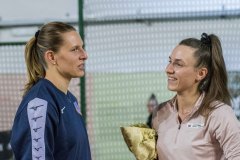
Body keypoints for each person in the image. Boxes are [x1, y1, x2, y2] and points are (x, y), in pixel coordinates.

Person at [10, 22, 92, 160]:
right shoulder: (39, 105)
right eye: (75, 49)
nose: (84, 55)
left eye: (82, 47)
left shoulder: (71, 100)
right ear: (51, 57)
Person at [152, 33, 240, 159]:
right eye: (170, 61)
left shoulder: (219, 114)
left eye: (178, 64)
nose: (168, 69)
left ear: (200, 73)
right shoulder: (160, 113)